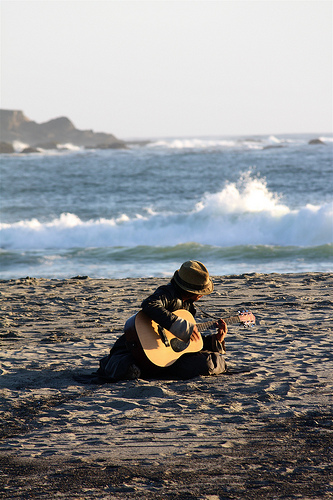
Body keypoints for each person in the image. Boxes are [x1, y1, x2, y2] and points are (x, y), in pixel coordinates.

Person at [97, 260, 228, 382]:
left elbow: (186, 344)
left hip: (167, 355)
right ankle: (134, 368)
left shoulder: (189, 306)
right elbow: (150, 304)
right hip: (140, 346)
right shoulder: (168, 293)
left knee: (211, 362)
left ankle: (149, 369)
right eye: (201, 291)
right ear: (190, 290)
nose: (203, 294)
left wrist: (215, 339)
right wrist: (179, 325)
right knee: (121, 362)